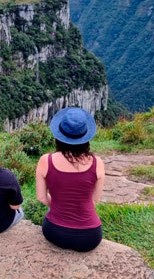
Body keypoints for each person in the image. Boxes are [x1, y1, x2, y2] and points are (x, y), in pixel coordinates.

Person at [35, 107, 105, 252]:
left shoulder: (45, 160)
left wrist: (58, 205)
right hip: (89, 237)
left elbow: (41, 198)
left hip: (54, 232)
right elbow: (94, 200)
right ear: (86, 137)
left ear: (59, 135)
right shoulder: (97, 163)